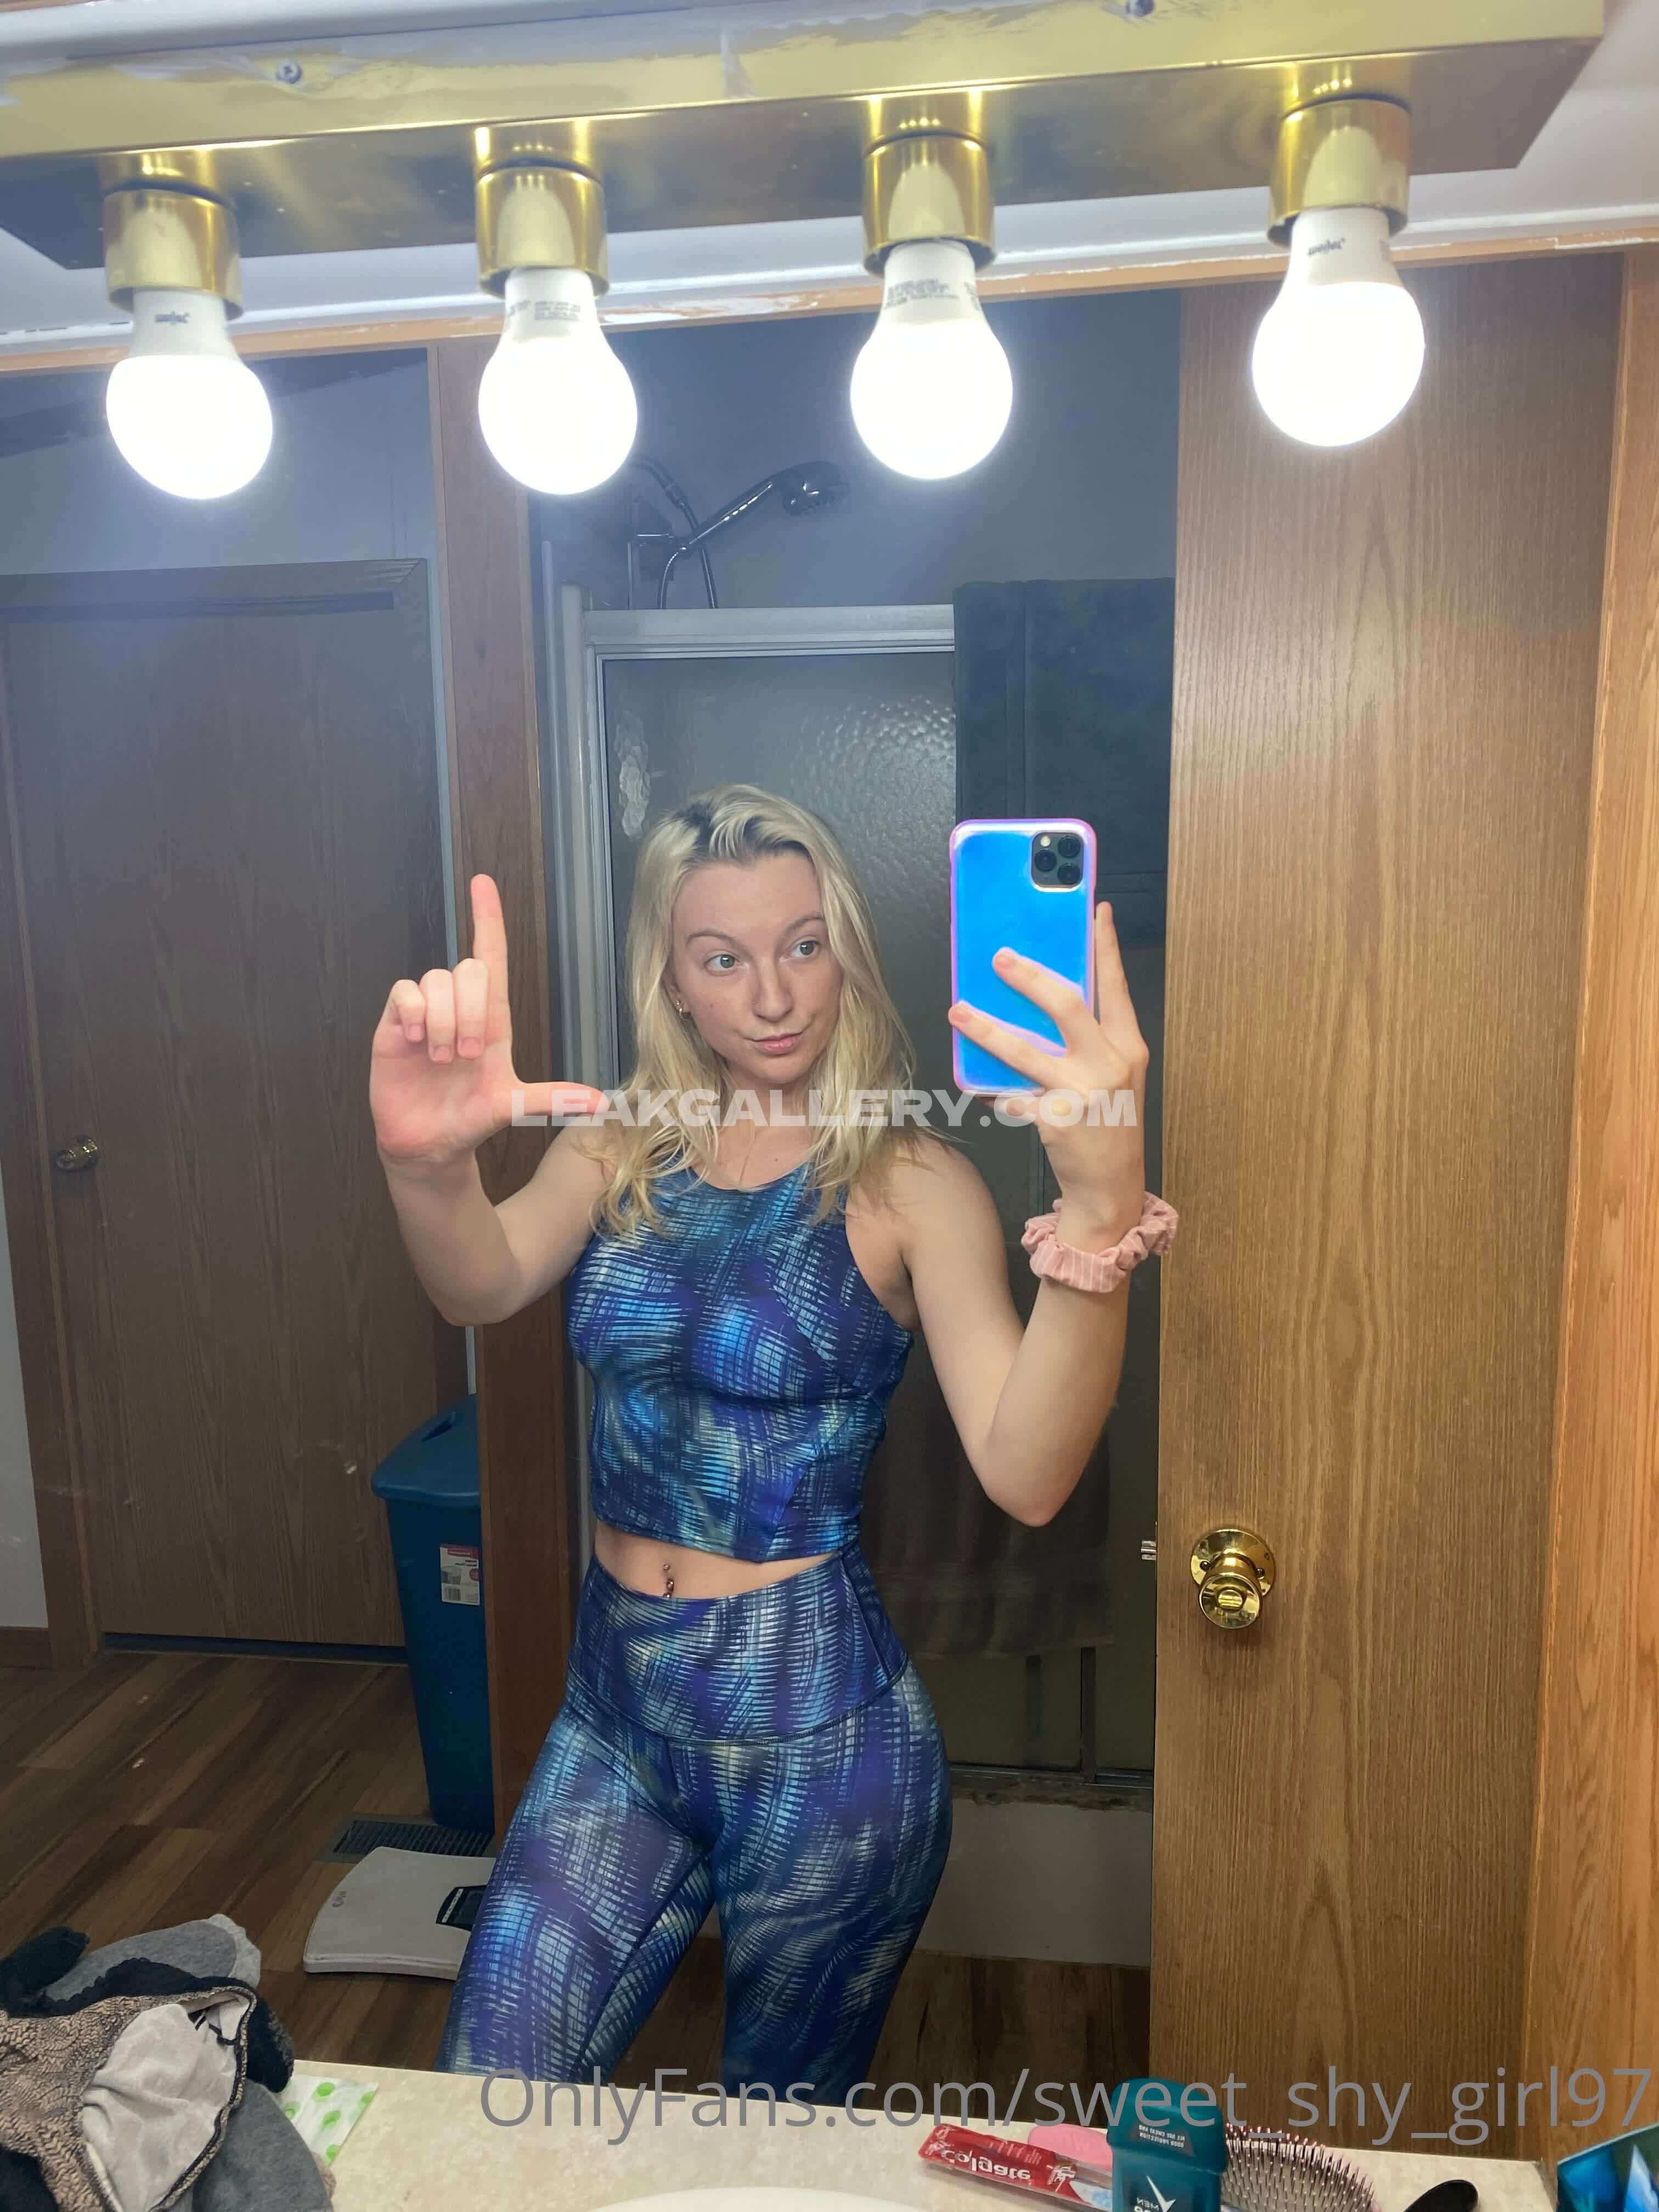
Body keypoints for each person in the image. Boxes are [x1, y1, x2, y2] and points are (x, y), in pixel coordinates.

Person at [370, 784, 1171, 2100]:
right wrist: (426, 1169)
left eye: (805, 944)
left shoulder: (912, 1180)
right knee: (488, 2100)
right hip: (614, 1714)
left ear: (844, 948)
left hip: (825, 1747)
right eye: (724, 958)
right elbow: (483, 1280)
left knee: (775, 2138)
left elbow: (1028, 1478)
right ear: (673, 984)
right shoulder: (617, 1146)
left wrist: (1101, 1214)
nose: (776, 995)